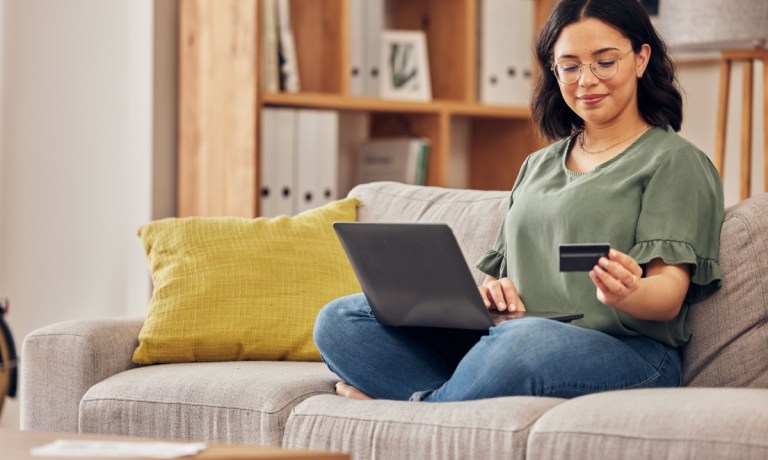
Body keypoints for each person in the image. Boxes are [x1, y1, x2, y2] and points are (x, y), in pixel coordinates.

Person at [313, 0, 724, 401]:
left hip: (627, 352)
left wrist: (628, 291)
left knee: (523, 340)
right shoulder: (537, 165)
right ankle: (442, 399)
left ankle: (417, 409)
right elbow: (501, 277)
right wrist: (494, 295)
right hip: (508, 336)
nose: (586, 81)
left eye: (605, 61)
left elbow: (668, 296)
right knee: (341, 319)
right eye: (570, 66)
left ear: (640, 59)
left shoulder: (675, 162)